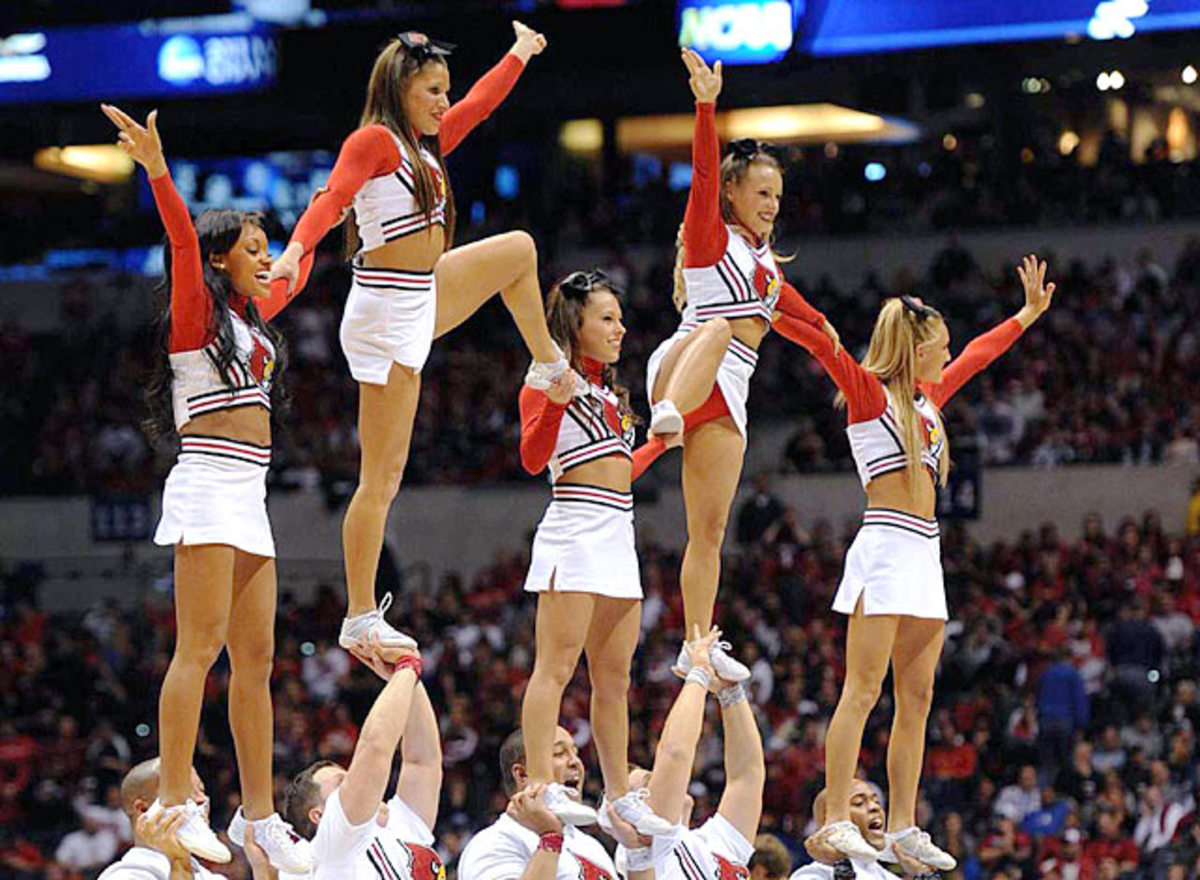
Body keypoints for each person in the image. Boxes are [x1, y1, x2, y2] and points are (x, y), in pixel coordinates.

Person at [269, 23, 567, 656]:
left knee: (518, 249)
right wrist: (296, 249)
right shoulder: (375, 140)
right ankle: (356, 614)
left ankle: (545, 363)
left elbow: (482, 104)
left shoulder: (427, 146)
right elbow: (333, 195)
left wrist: (518, 50)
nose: (442, 102)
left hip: (419, 293)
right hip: (383, 310)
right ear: (401, 88)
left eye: (445, 91)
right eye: (432, 90)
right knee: (381, 478)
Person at [772, 256, 1056, 867]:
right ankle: (836, 816)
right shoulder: (869, 393)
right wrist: (774, 299)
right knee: (862, 690)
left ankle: (902, 824)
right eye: (940, 345)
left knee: (918, 698)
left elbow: (979, 356)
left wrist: (1025, 317)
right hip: (884, 546)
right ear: (915, 347)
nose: (947, 352)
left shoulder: (929, 397)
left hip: (925, 551)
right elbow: (824, 342)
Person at [100, 103, 314, 872]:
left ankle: (259, 818)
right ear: (223, 259)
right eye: (254, 249)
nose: (267, 258)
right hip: (207, 483)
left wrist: (340, 205)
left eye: (267, 247)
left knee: (256, 660)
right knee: (198, 649)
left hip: (249, 493)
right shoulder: (196, 316)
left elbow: (302, 262)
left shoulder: (254, 322)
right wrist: (158, 168)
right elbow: (184, 240)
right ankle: (175, 802)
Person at [644, 50, 839, 681]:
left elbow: (799, 315)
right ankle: (657, 427)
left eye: (778, 195)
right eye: (761, 192)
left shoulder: (765, 266)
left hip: (728, 387)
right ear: (733, 191)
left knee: (710, 529)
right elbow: (701, 175)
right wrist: (706, 105)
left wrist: (837, 351)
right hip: (683, 363)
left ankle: (695, 645)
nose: (772, 204)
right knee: (724, 326)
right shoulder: (709, 235)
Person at [517, 270, 673, 830]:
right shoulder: (544, 378)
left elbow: (619, 471)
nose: (619, 329)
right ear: (574, 323)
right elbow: (534, 459)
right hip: (574, 529)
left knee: (615, 678)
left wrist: (658, 444)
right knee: (555, 668)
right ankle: (541, 782)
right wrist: (556, 401)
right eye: (607, 318)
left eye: (619, 318)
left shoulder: (612, 394)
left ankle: (617, 793)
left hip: (617, 533)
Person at [282, 636, 442, 880]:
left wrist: (408, 680)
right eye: (342, 783)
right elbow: (375, 747)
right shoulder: (330, 849)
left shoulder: (395, 827)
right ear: (319, 816)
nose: (355, 781)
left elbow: (422, 762)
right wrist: (407, 667)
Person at [611, 627, 765, 880]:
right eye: (649, 783)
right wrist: (698, 674)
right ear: (622, 813)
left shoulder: (711, 844)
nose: (659, 781)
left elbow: (747, 777)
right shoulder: (648, 851)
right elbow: (674, 754)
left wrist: (730, 692)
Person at [457, 726, 617, 880]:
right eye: (559, 753)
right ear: (522, 774)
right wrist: (550, 840)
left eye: (576, 752)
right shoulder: (495, 842)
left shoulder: (591, 846)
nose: (576, 762)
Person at [97, 759, 274, 880]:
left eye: (202, 791)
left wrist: (264, 873)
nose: (201, 800)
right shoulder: (123, 876)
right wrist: (179, 864)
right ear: (144, 809)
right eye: (186, 793)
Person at [793, 782, 935, 880]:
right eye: (859, 803)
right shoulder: (811, 875)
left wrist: (923, 873)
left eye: (876, 801)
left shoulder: (885, 875)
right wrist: (842, 867)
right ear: (828, 820)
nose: (875, 808)